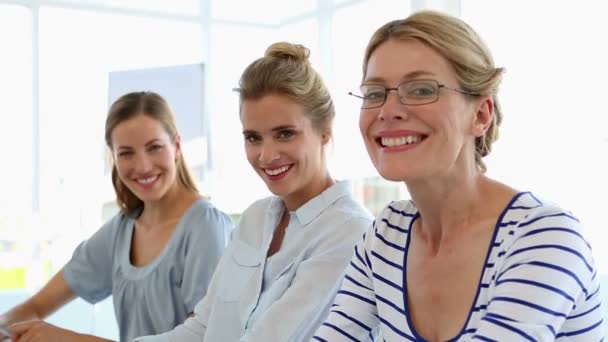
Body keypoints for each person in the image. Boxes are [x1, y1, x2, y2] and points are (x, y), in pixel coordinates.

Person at [314, 10, 605, 341]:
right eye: (375, 93)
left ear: (480, 115)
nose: (387, 110)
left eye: (421, 90)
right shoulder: (387, 235)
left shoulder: (545, 235)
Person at [134, 42, 373, 342]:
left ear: (325, 130)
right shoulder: (255, 219)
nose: (267, 155)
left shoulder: (350, 234)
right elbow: (202, 328)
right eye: (253, 138)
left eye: (285, 134)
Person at [0, 91, 232, 342]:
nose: (143, 166)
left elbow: (206, 338)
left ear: (176, 146)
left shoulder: (206, 226)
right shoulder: (122, 230)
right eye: (126, 153)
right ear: (113, 156)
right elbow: (32, 308)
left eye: (154, 147)